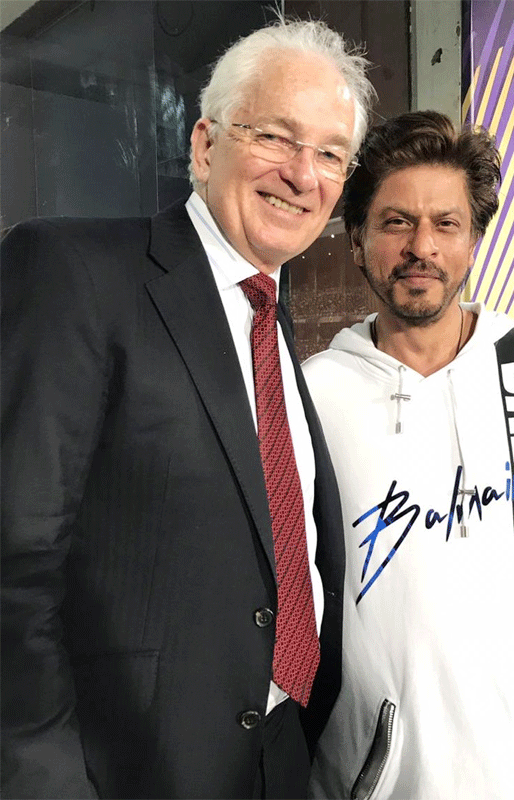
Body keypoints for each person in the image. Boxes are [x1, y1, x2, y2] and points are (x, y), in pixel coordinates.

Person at [1, 17, 375, 800]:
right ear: (206, 145)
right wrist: (43, 779)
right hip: (128, 769)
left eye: (331, 154)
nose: (304, 174)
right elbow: (15, 560)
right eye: (276, 136)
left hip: (278, 751)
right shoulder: (76, 273)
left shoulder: (273, 323)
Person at [303, 110, 514, 800]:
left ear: (473, 240)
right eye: (395, 222)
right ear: (356, 240)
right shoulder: (313, 399)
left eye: (446, 223)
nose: (422, 246)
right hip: (366, 785)